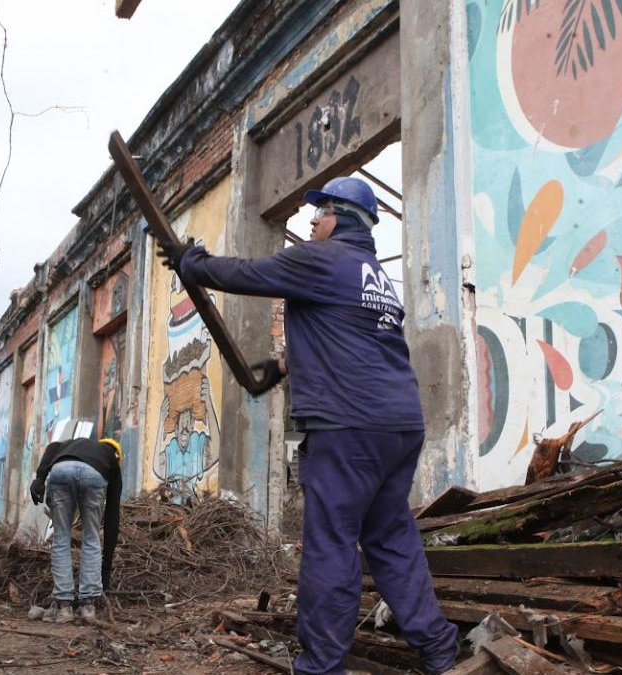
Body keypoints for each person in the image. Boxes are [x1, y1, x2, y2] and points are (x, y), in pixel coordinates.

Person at [156, 177, 459, 675]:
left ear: (338, 217)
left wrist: (192, 261)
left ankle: (321, 666)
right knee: (390, 538)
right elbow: (351, 340)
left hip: (346, 427)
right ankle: (439, 649)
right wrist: (282, 366)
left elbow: (247, 274)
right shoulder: (375, 277)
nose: (310, 223)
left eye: (316, 216)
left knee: (330, 544)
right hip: (399, 426)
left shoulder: (321, 259)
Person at [29, 437, 123, 623]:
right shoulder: (110, 460)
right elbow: (112, 518)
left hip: (61, 470)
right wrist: (105, 573)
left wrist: (40, 478)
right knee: (91, 538)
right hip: (94, 476)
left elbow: (52, 446)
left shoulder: (71, 445)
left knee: (61, 539)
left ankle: (64, 607)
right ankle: (88, 607)